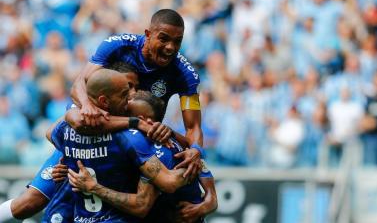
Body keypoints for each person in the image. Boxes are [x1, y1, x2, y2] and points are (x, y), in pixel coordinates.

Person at [0, 62, 142, 222]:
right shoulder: (83, 104)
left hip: (106, 175)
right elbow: (55, 130)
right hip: (73, 155)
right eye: (128, 87)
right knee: (30, 202)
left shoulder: (134, 108)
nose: (132, 93)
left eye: (136, 87)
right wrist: (71, 158)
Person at [71, 8, 204, 177]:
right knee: (32, 199)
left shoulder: (185, 74)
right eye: (163, 39)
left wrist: (196, 150)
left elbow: (193, 127)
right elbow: (79, 83)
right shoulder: (118, 46)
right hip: (102, 128)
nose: (170, 47)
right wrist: (87, 105)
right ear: (148, 34)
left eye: (177, 41)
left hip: (142, 144)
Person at [47, 68, 190, 222]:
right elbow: (165, 186)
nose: (129, 99)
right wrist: (192, 167)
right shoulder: (130, 136)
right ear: (104, 101)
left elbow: (50, 133)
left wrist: (67, 164)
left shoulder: (66, 129)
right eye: (123, 95)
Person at [68, 91, 217, 223]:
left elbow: (142, 205)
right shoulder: (171, 140)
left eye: (127, 115)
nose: (121, 119)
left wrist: (94, 187)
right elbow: (202, 168)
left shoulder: (154, 150)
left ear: (144, 120)